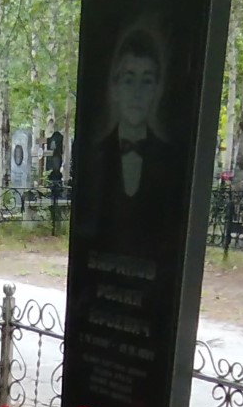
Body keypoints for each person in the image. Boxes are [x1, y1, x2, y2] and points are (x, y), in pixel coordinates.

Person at [76, 25, 182, 261]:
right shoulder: (94, 157)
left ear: (157, 90)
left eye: (146, 81)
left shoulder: (171, 161)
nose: (137, 93)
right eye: (129, 80)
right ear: (114, 88)